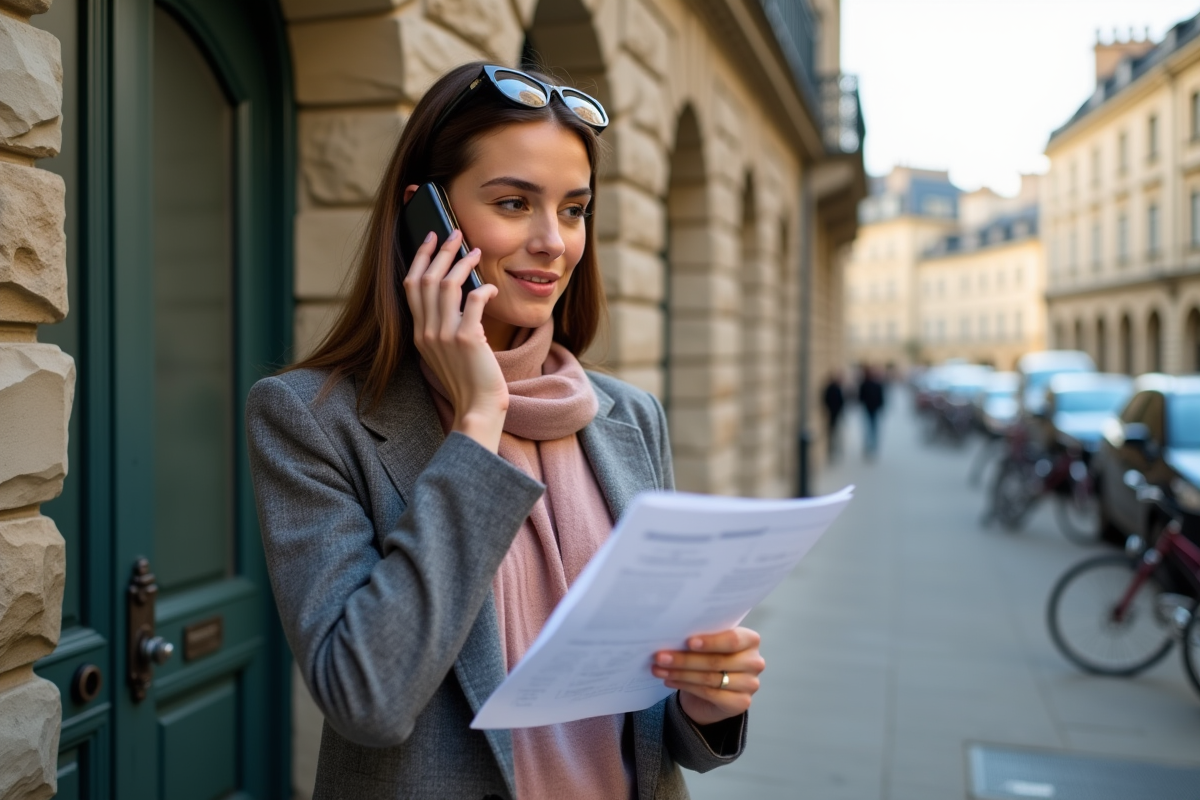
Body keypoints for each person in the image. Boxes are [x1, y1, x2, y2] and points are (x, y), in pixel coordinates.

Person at [245, 62, 763, 800]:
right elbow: (368, 698)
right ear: (428, 215)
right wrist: (478, 423)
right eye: (515, 202)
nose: (554, 241)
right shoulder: (310, 419)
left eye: (575, 209)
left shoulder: (628, 416)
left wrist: (704, 704)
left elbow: (647, 721)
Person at [858, 365, 886, 457]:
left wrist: (881, 407)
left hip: (873, 408)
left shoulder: (876, 385)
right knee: (869, 427)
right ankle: (868, 446)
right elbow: (861, 397)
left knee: (873, 427)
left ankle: (872, 446)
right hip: (868, 408)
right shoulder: (865, 384)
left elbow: (881, 398)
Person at [821, 371, 845, 461]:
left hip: (832, 414)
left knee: (833, 434)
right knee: (834, 434)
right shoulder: (836, 389)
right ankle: (833, 451)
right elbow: (841, 402)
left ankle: (833, 450)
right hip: (834, 414)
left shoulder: (831, 388)